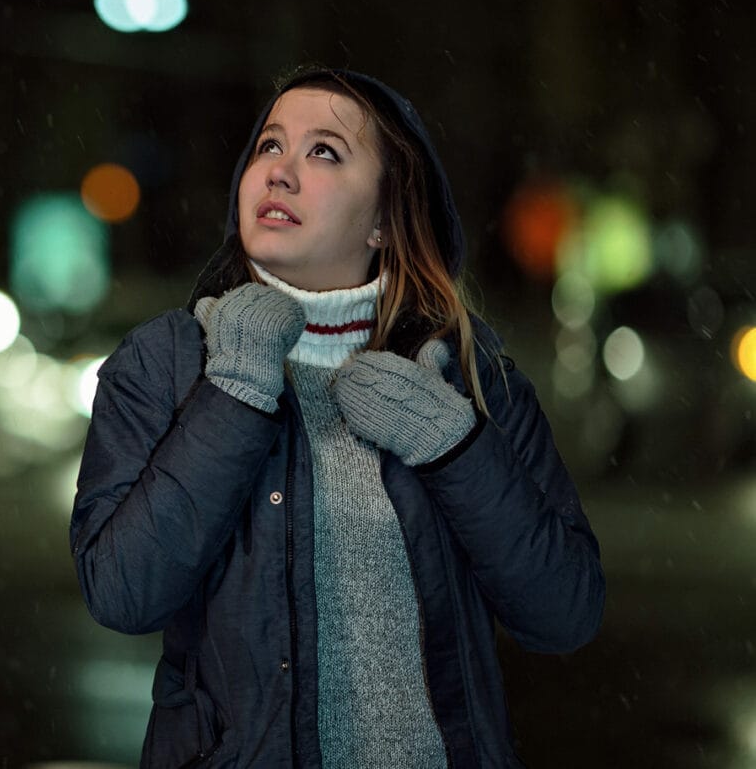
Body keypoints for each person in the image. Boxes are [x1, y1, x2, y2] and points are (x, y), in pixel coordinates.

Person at [69, 65, 605, 768]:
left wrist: (451, 444)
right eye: (268, 146)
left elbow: (563, 613)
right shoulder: (167, 363)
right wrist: (233, 389)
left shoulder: (469, 375)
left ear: (385, 217)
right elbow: (123, 591)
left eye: (324, 151)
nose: (279, 173)